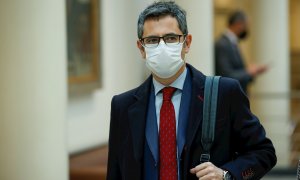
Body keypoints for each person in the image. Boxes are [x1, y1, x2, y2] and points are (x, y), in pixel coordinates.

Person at [107, 2, 276, 180]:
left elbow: (264, 152)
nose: (162, 46)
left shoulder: (224, 93)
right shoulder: (122, 106)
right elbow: (115, 172)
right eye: (152, 40)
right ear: (141, 48)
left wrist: (227, 174)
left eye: (171, 38)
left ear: (186, 43)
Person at [215, 11, 268, 94]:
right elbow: (226, 75)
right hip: (229, 97)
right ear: (238, 24)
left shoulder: (232, 42)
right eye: (246, 26)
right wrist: (248, 71)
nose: (246, 29)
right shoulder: (222, 44)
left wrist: (251, 71)